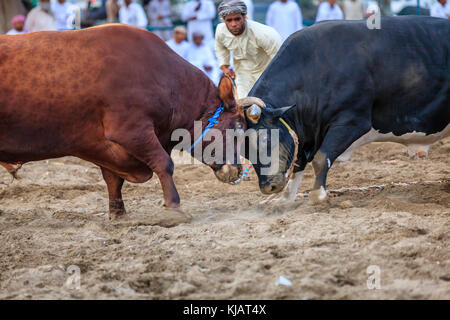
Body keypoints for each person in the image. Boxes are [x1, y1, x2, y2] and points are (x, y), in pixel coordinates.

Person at [215, 0, 281, 98]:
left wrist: (274, 79)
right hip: (242, 73)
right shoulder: (220, 30)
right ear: (223, 20)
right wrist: (225, 67)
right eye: (229, 20)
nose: (233, 24)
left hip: (266, 72)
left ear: (245, 17)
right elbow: (220, 48)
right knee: (242, 104)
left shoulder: (264, 34)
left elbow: (279, 59)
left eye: (237, 19)